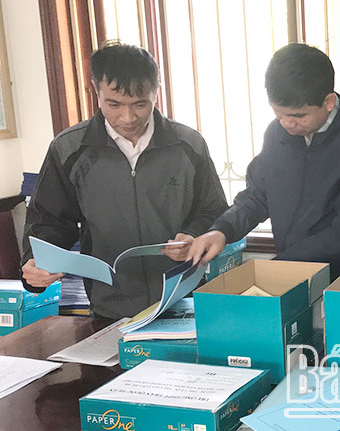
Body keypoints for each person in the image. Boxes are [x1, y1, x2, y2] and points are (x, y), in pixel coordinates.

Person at [20, 42, 227, 319]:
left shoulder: (188, 145)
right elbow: (48, 221)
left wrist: (193, 235)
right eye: (114, 104)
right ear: (95, 90)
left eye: (140, 104)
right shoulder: (69, 149)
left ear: (157, 91)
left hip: (183, 300)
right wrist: (34, 263)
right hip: (109, 306)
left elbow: (213, 210)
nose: (128, 118)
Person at [187, 43, 340, 279]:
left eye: (297, 115)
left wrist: (278, 266)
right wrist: (221, 231)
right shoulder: (277, 134)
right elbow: (256, 197)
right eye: (278, 113)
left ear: (328, 101)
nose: (286, 123)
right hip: (295, 271)